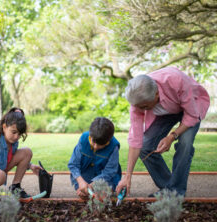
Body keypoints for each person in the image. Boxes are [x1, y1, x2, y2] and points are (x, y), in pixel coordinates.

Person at [116, 67, 210, 197]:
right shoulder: (138, 100)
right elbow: (135, 139)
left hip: (191, 107)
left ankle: (176, 192)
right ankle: (169, 189)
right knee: (145, 145)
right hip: (166, 112)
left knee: (185, 144)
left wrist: (172, 136)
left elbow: (192, 116)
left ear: (156, 94)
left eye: (144, 107)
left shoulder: (175, 80)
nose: (140, 110)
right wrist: (127, 176)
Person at [68, 117, 122, 199]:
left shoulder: (113, 146)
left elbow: (110, 171)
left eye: (100, 145)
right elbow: (73, 164)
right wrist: (80, 182)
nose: (96, 147)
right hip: (85, 174)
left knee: (103, 195)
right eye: (93, 142)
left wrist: (94, 184)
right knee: (84, 193)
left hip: (105, 177)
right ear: (90, 135)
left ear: (108, 141)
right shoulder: (83, 139)